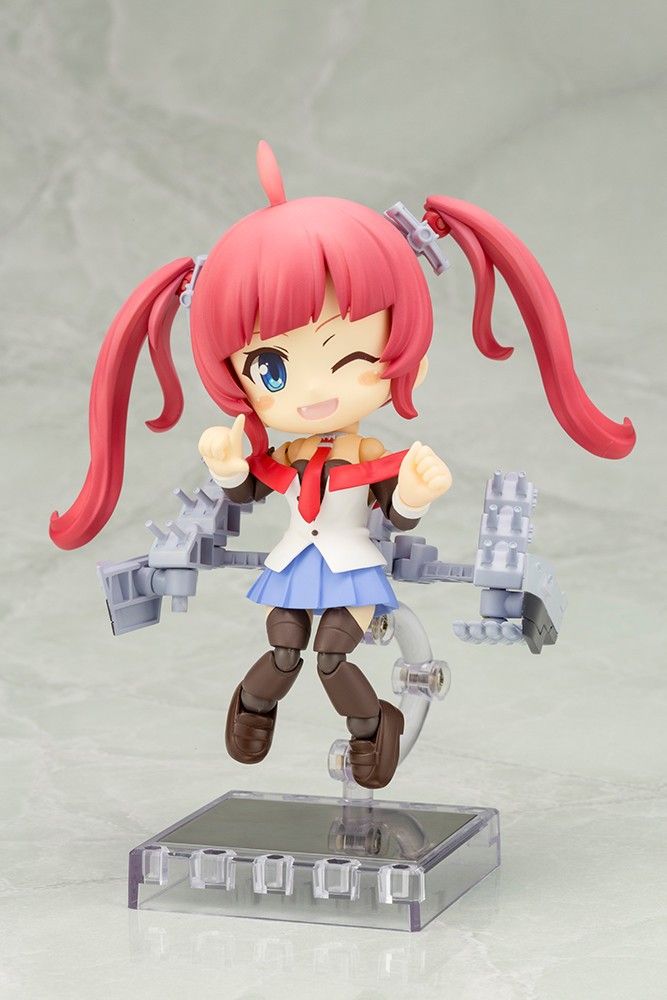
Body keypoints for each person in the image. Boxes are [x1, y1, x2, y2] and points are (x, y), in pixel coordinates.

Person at [50, 141, 635, 788]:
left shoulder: (367, 457)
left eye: (350, 357)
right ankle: (253, 706)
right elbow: (250, 492)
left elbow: (394, 515)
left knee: (331, 658)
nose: (313, 392)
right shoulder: (287, 454)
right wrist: (227, 468)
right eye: (272, 370)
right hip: (293, 565)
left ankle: (374, 727)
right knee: (283, 649)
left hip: (353, 570)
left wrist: (411, 495)